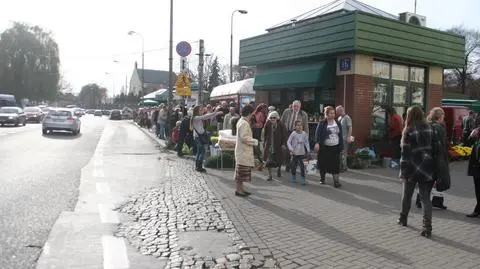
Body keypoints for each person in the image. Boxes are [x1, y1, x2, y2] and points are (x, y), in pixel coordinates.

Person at [398, 106, 438, 239]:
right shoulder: (430, 128)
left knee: (407, 195)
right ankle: (427, 227)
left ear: (409, 116)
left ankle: (403, 218)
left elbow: (405, 154)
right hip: (427, 166)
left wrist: (403, 172)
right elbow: (435, 148)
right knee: (425, 198)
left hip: (411, 167)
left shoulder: (408, 130)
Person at [415, 107, 449, 210]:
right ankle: (434, 201)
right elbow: (440, 145)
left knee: (426, 180)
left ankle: (420, 200)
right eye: (443, 116)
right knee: (437, 179)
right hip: (436, 157)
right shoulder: (439, 127)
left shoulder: (426, 125)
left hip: (425, 157)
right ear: (440, 117)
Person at [314, 106, 343, 187]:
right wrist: (317, 143)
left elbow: (340, 135)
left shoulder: (337, 123)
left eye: (334, 113)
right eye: (331, 113)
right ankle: (322, 179)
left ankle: (336, 181)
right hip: (324, 148)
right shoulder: (322, 123)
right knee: (323, 164)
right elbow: (318, 134)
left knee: (335, 165)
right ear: (326, 114)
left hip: (335, 147)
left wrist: (341, 147)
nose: (333, 115)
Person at [234, 105, 258, 197]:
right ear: (249, 113)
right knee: (241, 173)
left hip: (242, 151)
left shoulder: (242, 121)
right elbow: (244, 137)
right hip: (243, 151)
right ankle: (239, 190)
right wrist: (254, 141)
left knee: (241, 173)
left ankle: (241, 189)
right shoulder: (244, 123)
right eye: (252, 113)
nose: (253, 115)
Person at [190, 105, 223, 173]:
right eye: (200, 110)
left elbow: (207, 116)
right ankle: (199, 167)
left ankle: (197, 166)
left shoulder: (196, 117)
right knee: (202, 151)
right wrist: (215, 112)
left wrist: (216, 113)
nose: (202, 111)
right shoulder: (196, 117)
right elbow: (205, 116)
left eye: (202, 109)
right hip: (198, 137)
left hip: (198, 136)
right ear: (197, 111)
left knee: (199, 151)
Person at [281, 100, 309, 171]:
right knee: (288, 150)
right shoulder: (287, 112)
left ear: (300, 107)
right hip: (287, 132)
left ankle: (294, 165)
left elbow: (306, 126)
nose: (295, 108)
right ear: (292, 106)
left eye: (297, 106)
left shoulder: (303, 114)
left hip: (297, 134)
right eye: (294, 106)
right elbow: (281, 122)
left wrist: (306, 137)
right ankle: (288, 165)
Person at [263, 111, 288, 181]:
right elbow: (264, 134)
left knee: (279, 159)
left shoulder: (281, 124)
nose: (272, 119)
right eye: (271, 118)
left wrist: (284, 144)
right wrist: (264, 142)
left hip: (278, 144)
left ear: (277, 118)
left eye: (274, 118)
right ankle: (270, 175)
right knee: (268, 160)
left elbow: (285, 135)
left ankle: (279, 169)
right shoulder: (267, 124)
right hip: (269, 144)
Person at [287, 120, 310, 185]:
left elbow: (306, 142)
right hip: (295, 153)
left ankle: (303, 179)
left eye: (300, 125)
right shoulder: (293, 134)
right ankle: (293, 177)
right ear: (295, 126)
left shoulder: (304, 134)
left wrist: (308, 151)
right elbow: (288, 142)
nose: (299, 127)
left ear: (302, 126)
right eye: (298, 125)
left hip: (302, 153)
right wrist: (291, 149)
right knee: (294, 166)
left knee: (303, 167)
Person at [466, 126, 480, 218]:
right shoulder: (477, 134)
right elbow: (468, 144)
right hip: (476, 168)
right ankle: (478, 209)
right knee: (478, 190)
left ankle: (477, 210)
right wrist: (472, 135)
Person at [336, 105, 352, 172]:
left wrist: (349, 137)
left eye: (337, 111)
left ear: (341, 110)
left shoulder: (347, 118)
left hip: (345, 138)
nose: (336, 112)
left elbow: (350, 128)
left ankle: (344, 167)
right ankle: (341, 166)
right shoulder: (339, 118)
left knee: (344, 153)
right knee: (340, 153)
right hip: (339, 139)